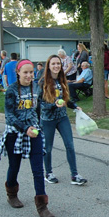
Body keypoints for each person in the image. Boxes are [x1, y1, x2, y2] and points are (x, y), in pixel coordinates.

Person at [0, 59, 55, 217]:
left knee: (38, 169)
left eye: (31, 72)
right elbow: (9, 116)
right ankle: (11, 193)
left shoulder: (36, 88)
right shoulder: (11, 90)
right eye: (25, 72)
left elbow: (37, 108)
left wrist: (38, 124)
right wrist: (25, 128)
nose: (29, 75)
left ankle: (42, 206)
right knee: (14, 166)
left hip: (34, 132)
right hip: (15, 133)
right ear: (18, 72)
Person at [38, 54, 88, 186]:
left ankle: (75, 175)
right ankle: (48, 173)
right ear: (48, 66)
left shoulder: (62, 80)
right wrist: (54, 105)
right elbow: (41, 104)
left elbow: (65, 99)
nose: (56, 66)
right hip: (47, 120)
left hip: (62, 118)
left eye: (58, 64)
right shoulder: (42, 82)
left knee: (70, 145)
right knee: (48, 148)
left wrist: (74, 106)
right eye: (53, 64)